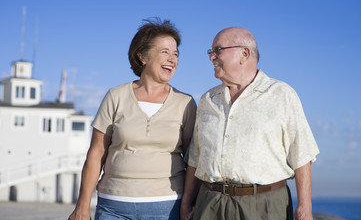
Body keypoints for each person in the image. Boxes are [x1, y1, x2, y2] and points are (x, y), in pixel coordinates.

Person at [181, 27, 319, 220]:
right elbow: (196, 158)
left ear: (244, 53)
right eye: (210, 51)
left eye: (218, 50)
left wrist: (304, 208)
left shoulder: (281, 94)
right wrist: (186, 202)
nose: (211, 57)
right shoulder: (208, 99)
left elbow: (301, 155)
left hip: (264, 205)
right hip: (210, 203)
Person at [68, 18, 197, 220]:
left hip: (167, 206)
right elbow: (97, 152)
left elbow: (192, 159)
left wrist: (188, 204)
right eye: (165, 52)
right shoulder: (115, 96)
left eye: (176, 54)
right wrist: (82, 207)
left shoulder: (185, 103)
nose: (172, 59)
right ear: (142, 56)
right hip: (113, 206)